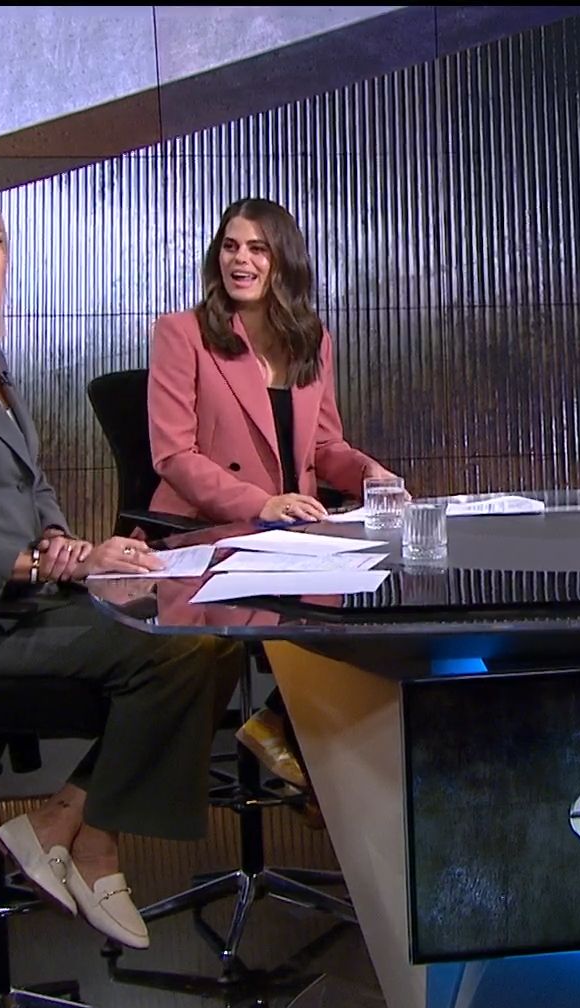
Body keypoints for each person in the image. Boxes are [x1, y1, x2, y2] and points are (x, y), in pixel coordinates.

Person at [0, 178, 243, 950]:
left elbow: (29, 484)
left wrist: (69, 542)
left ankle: (67, 821)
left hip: (23, 599)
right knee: (182, 651)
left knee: (214, 630)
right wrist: (39, 565)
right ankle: (91, 843)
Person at [145, 197, 395, 812]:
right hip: (211, 535)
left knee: (372, 611)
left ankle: (289, 735)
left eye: (257, 249)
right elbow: (173, 455)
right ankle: (307, 761)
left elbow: (325, 446)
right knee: (308, 617)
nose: (241, 260)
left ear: (284, 262)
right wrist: (263, 503)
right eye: (231, 247)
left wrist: (369, 473)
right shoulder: (183, 334)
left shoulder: (312, 340)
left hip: (293, 539)